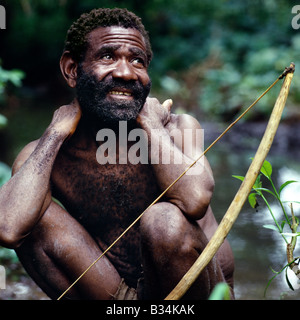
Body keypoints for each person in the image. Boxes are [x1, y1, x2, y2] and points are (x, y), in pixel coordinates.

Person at [0, 8, 234, 300]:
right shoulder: (47, 151)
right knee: (29, 215)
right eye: (108, 56)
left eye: (137, 61)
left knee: (164, 221)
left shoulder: (178, 129)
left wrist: (149, 122)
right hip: (117, 297)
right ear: (72, 69)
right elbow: (8, 228)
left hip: (198, 293)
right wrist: (55, 133)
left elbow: (195, 199)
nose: (126, 73)